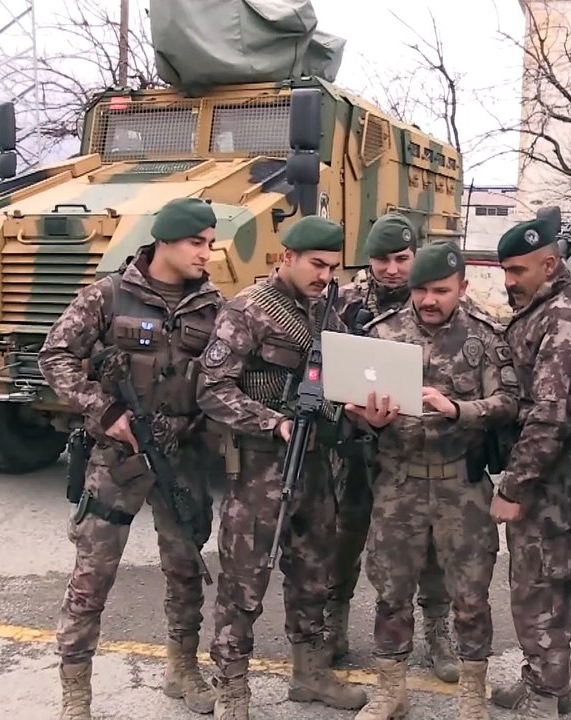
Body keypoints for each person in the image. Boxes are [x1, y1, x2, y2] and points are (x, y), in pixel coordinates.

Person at [38, 197, 226, 719]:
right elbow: (55, 355)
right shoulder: (109, 295)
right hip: (118, 457)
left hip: (183, 457)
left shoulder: (212, 305)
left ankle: (182, 667)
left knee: (186, 567)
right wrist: (106, 411)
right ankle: (76, 694)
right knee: (92, 575)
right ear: (165, 241)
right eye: (197, 243)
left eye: (210, 244)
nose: (206, 254)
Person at [196, 215, 368, 720]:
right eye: (316, 264)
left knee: (314, 572)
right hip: (260, 467)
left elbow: (339, 375)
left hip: (317, 465)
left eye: (332, 268)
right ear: (286, 257)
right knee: (244, 582)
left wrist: (354, 409)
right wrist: (273, 423)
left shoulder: (324, 312)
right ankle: (231, 686)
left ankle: (309, 674)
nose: (324, 275)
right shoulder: (248, 310)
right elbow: (212, 389)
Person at [345, 241, 521, 720]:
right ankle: (391, 691)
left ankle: (470, 694)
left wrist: (460, 409)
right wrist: (368, 419)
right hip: (398, 485)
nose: (428, 300)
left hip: (460, 487)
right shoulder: (383, 334)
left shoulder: (484, 336)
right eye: (420, 290)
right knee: (391, 592)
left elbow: (508, 402)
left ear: (461, 286)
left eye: (440, 290)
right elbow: (350, 405)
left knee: (470, 594)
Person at [328, 211, 458, 682]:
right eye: (381, 259)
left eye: (402, 258)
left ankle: (438, 631)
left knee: (430, 547)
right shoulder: (341, 301)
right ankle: (334, 624)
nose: (392, 270)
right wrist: (346, 409)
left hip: (417, 448)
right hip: (356, 443)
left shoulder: (434, 298)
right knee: (345, 535)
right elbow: (321, 365)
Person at [487, 217, 571, 718]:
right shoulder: (542, 309)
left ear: (550, 263)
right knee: (534, 590)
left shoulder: (564, 318)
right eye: (506, 270)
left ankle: (545, 698)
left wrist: (513, 487)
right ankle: (544, 682)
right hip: (546, 478)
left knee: (544, 597)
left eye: (518, 270)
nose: (509, 280)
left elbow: (550, 414)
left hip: (554, 484)